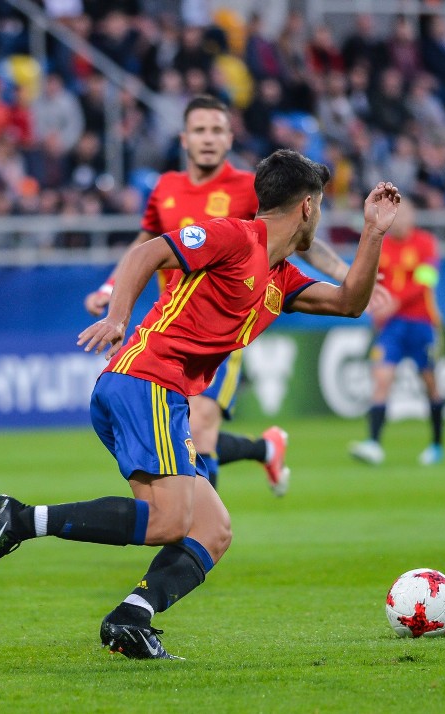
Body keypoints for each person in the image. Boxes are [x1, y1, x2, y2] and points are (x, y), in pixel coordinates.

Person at [0, 149, 401, 659]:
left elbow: (351, 302)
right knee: (170, 521)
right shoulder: (235, 237)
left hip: (160, 393)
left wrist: (374, 232)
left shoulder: (281, 277)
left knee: (213, 529)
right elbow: (146, 253)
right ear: (308, 208)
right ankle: (19, 519)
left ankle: (131, 617)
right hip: (145, 379)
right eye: (322, 206)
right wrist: (117, 317)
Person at [84, 95, 356, 497]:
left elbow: (295, 233)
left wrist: (343, 272)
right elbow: (146, 241)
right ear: (184, 139)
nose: (208, 138)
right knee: (190, 430)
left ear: (230, 139)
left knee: (200, 424)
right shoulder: (166, 187)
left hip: (228, 323)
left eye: (216, 130)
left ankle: (194, 530)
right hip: (175, 319)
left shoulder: (250, 187)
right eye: (199, 130)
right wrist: (110, 289)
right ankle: (260, 453)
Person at [349, 200, 444, 467]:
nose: (399, 220)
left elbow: (426, 281)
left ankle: (436, 445)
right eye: (396, 215)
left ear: (413, 216)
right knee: (381, 378)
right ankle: (373, 444)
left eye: (404, 214)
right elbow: (371, 280)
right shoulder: (383, 246)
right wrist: (368, 302)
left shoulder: (425, 243)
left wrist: (394, 302)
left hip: (421, 322)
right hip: (390, 326)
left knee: (430, 384)